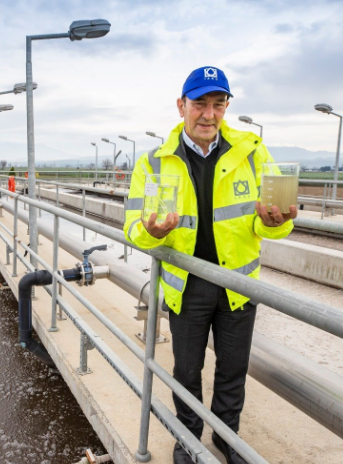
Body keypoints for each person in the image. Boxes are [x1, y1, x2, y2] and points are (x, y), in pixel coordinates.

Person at [123, 66, 297, 464]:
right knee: (186, 371)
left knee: (233, 369)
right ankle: (187, 439)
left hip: (239, 284)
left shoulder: (251, 153)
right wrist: (152, 231)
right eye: (199, 103)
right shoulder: (153, 163)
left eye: (218, 104)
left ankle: (225, 436)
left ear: (226, 108)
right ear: (181, 105)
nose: (208, 114)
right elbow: (133, 229)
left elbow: (264, 222)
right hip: (187, 285)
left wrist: (276, 221)